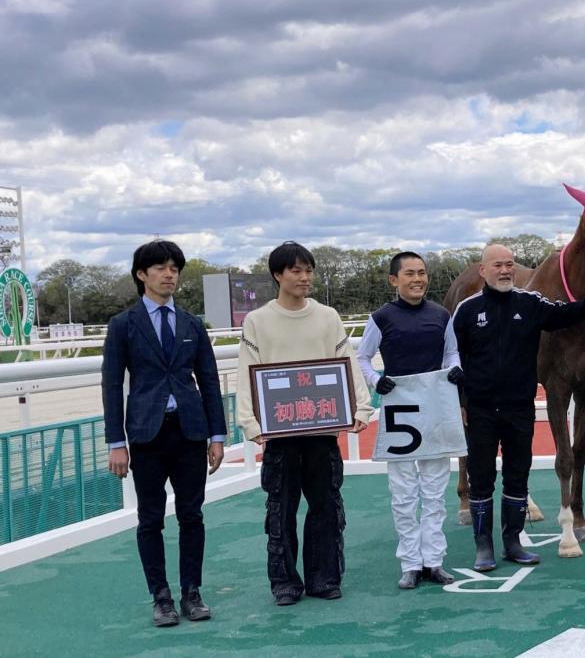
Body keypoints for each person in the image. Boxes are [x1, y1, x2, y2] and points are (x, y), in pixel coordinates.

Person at [452, 243, 585, 571]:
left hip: (519, 407)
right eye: (497, 265)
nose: (505, 270)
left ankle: (512, 542)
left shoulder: (530, 302)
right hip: (481, 408)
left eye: (509, 264)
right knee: (482, 477)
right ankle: (484, 546)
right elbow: (453, 357)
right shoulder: (466, 310)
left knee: (517, 475)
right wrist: (463, 402)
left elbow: (562, 315)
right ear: (483, 270)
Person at [236, 241, 373, 606]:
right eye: (296, 270)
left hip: (322, 430)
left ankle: (324, 577)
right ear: (278, 275)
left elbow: (347, 360)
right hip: (280, 434)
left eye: (308, 270)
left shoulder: (328, 317)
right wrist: (251, 423)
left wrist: (361, 407)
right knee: (280, 510)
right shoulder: (257, 321)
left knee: (326, 505)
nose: (304, 277)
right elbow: (247, 372)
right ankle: (285, 582)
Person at [102, 240, 226, 627]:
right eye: (160, 267)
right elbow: (110, 385)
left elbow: (208, 380)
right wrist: (116, 442)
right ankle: (161, 597)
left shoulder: (191, 324)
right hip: (146, 435)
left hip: (189, 431)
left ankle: (192, 593)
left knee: (192, 516)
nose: (169, 274)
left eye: (174, 268)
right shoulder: (123, 325)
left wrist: (218, 435)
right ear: (142, 274)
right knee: (150, 518)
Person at [356, 251, 464, 590]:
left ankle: (434, 560)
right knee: (403, 492)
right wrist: (376, 381)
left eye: (422, 273)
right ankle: (410, 563)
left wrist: (455, 367)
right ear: (394, 280)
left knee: (434, 489)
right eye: (410, 274)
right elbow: (361, 357)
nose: (417, 279)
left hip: (435, 406)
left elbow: (451, 351)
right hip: (399, 409)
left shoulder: (441, 315)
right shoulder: (381, 317)